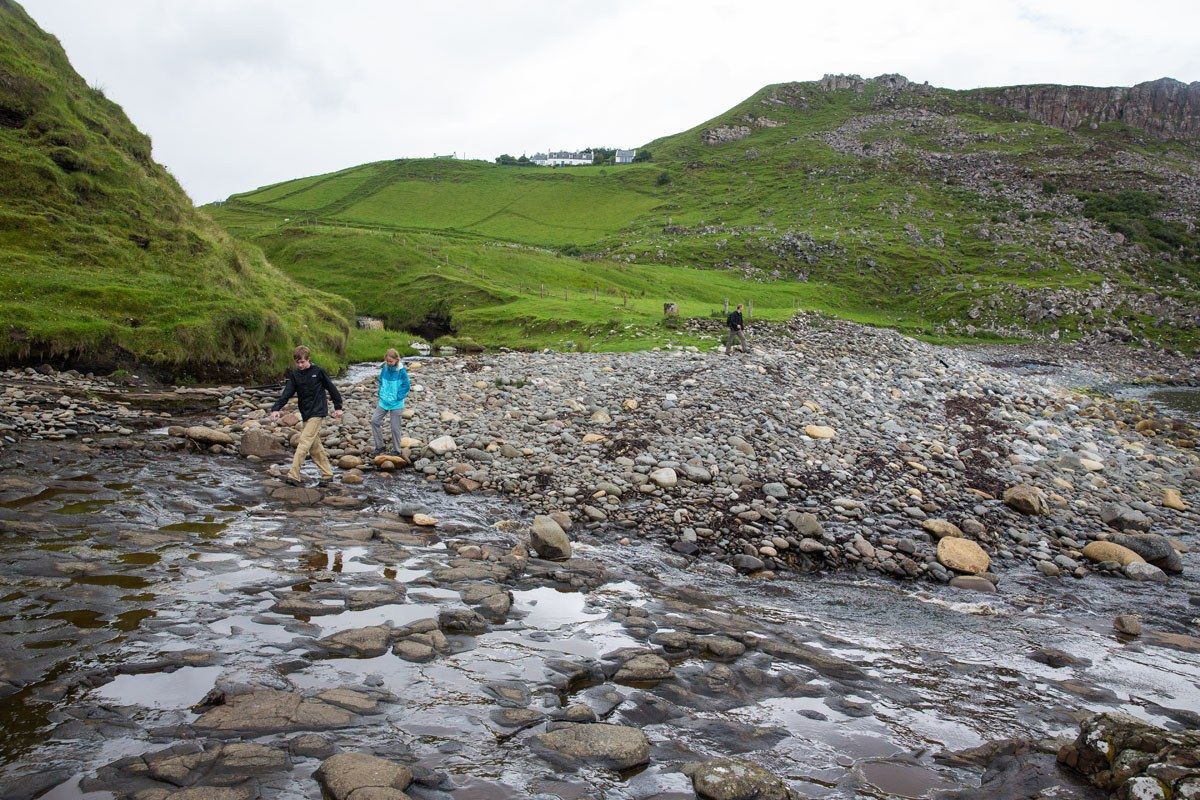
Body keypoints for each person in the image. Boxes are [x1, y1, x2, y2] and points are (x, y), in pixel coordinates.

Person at [269, 345, 344, 486]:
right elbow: (286, 394)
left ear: (308, 359)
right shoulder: (295, 375)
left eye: (302, 362)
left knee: (303, 442)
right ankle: (327, 473)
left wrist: (338, 407)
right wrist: (276, 408)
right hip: (306, 413)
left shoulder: (318, 371)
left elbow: (332, 389)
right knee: (314, 446)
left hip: (318, 412)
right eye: (297, 362)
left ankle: (294, 475)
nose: (300, 365)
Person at [372, 348, 410, 455]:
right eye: (387, 361)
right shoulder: (384, 368)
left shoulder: (401, 371)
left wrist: (398, 396)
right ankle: (380, 446)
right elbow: (381, 381)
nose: (389, 363)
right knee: (374, 421)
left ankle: (397, 450)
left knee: (395, 428)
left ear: (396, 360)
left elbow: (406, 385)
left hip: (397, 403)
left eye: (391, 361)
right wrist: (381, 392)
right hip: (384, 401)